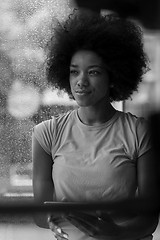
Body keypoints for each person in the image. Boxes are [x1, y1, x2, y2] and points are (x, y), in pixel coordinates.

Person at [32, 9, 159, 240]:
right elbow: (40, 216)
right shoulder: (46, 134)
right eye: (73, 72)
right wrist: (70, 214)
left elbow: (149, 219)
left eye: (93, 72)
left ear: (113, 76)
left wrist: (117, 232)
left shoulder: (139, 132)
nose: (81, 81)